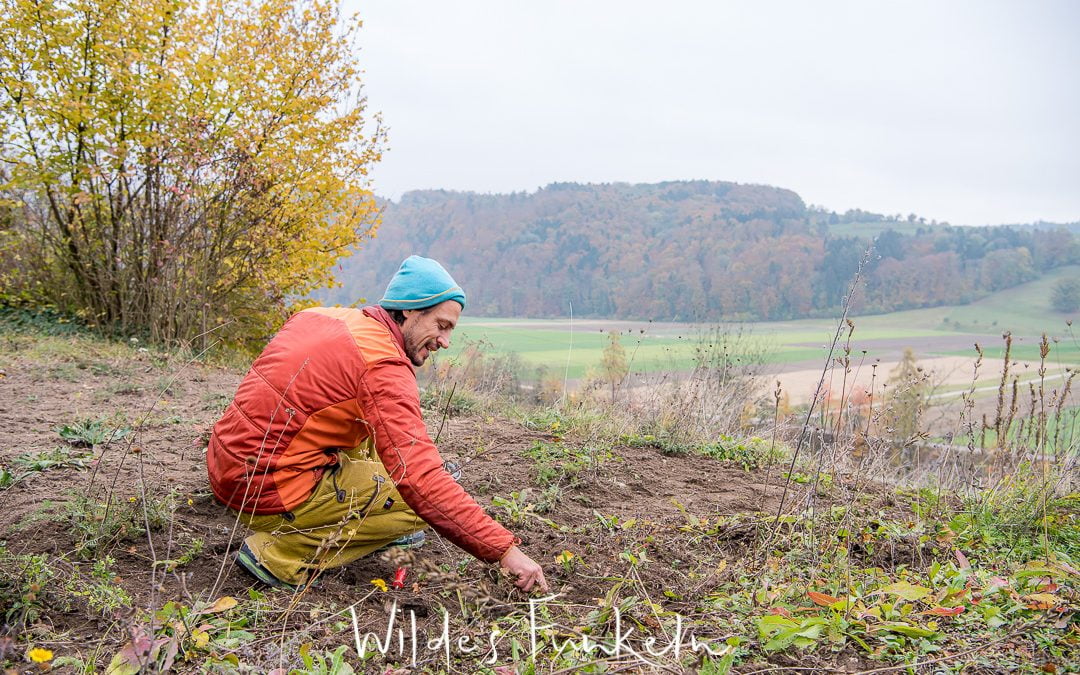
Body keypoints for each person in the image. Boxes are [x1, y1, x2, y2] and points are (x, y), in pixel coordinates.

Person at [207, 255, 548, 592]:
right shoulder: (381, 365)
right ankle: (279, 555)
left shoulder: (320, 317)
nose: (445, 340)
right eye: (441, 325)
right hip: (267, 491)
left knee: (374, 436)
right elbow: (420, 480)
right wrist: (505, 551)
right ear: (411, 309)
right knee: (419, 507)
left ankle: (348, 521)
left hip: (228, 468)